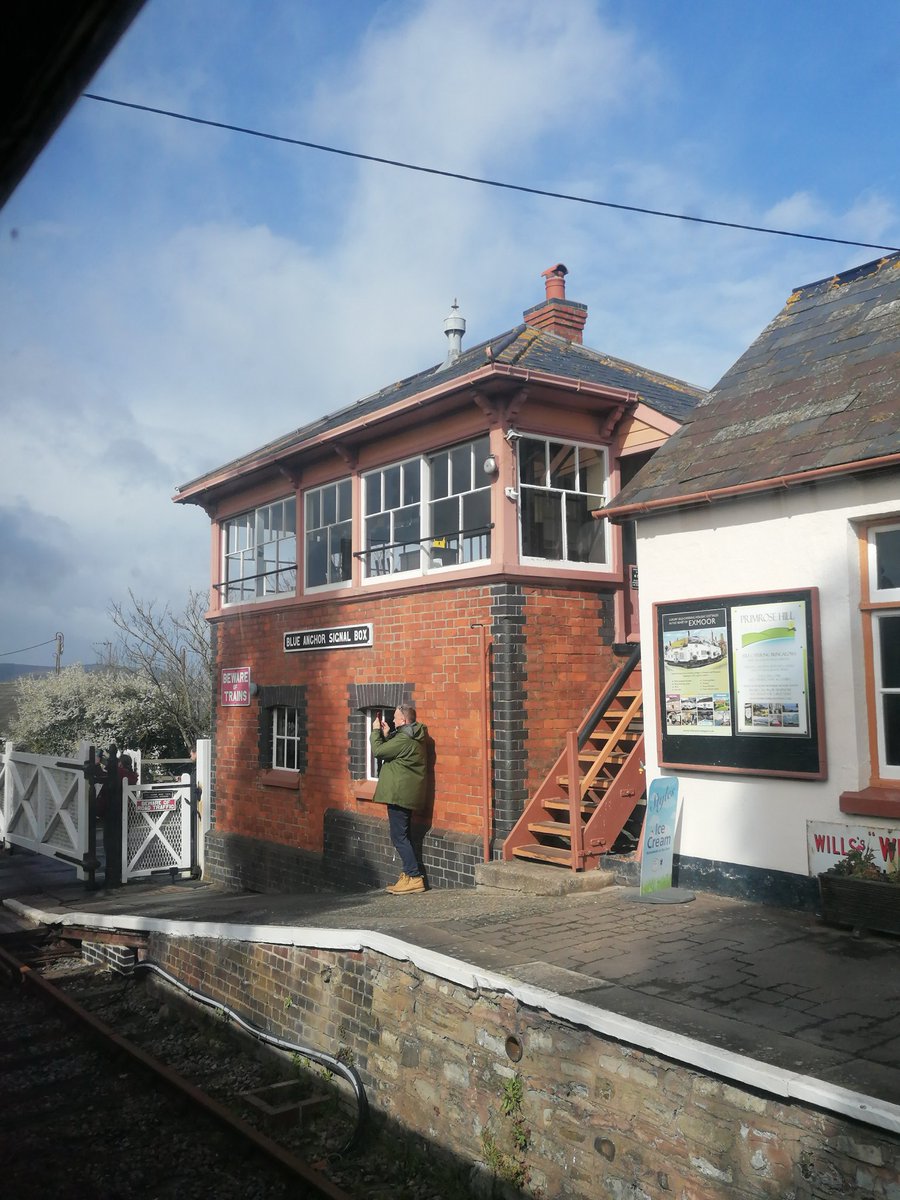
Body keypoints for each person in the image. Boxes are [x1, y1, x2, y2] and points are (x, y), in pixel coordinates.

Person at [370, 704, 428, 894]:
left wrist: (376, 732)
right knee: (404, 835)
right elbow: (395, 751)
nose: (393, 720)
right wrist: (388, 736)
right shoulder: (411, 736)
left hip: (399, 795)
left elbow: (379, 751)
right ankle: (408, 874)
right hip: (404, 793)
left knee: (398, 837)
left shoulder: (405, 739)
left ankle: (414, 877)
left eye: (395, 718)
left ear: (404, 720)